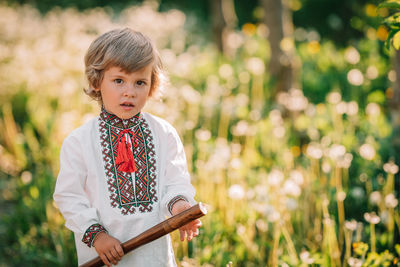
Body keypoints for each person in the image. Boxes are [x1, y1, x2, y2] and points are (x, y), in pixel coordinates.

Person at [53, 28, 201, 267]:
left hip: (153, 257)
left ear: (152, 85)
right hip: (104, 255)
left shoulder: (164, 134)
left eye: (140, 82)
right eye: (119, 80)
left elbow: (175, 182)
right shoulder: (79, 142)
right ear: (96, 81)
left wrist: (181, 208)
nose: (129, 92)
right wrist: (97, 235)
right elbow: (69, 197)